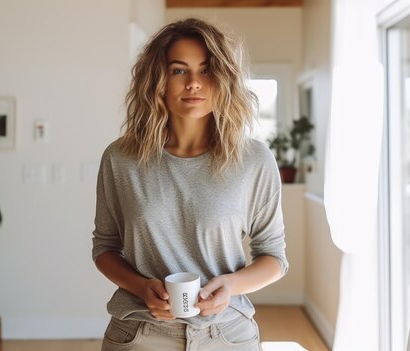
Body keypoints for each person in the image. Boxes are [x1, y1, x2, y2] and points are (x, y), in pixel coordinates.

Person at [92, 18, 288, 351]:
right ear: (159, 81)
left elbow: (274, 258)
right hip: (139, 335)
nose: (194, 83)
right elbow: (105, 247)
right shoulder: (120, 159)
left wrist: (231, 286)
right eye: (179, 70)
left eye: (207, 70)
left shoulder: (254, 160)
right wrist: (141, 288)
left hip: (228, 336)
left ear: (223, 79)